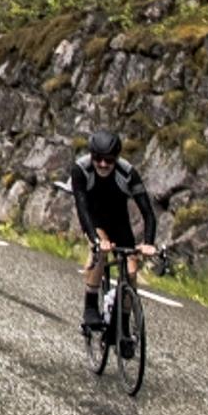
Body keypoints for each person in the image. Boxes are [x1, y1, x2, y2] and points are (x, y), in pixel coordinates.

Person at [68, 129, 163, 336]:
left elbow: (148, 212)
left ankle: (122, 325)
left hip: (119, 222)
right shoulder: (81, 170)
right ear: (92, 156)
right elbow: (82, 208)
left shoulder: (128, 172)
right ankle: (91, 308)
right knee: (100, 253)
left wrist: (148, 242)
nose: (103, 164)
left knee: (130, 271)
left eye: (109, 160)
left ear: (116, 158)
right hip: (94, 220)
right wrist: (94, 240)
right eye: (98, 159)